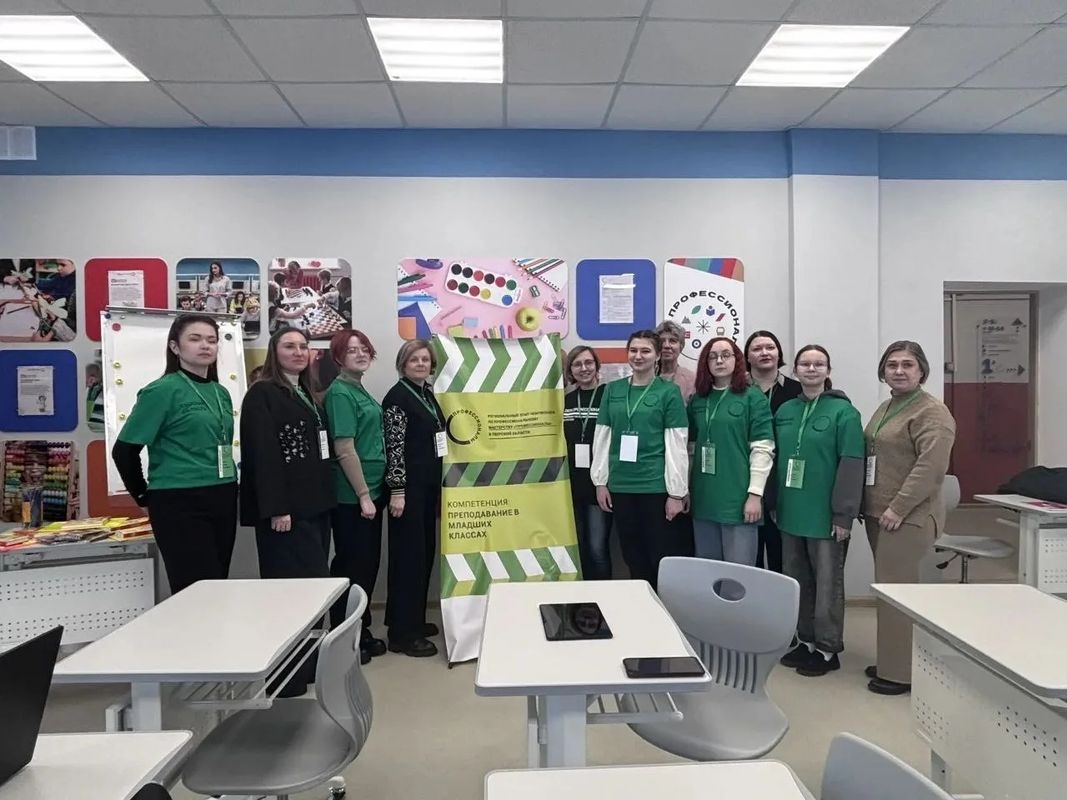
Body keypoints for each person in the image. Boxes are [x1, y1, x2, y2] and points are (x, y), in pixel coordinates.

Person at [111, 314, 237, 594]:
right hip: (179, 498)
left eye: (212, 340)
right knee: (195, 590)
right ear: (175, 347)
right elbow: (124, 451)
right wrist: (143, 496)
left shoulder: (221, 392)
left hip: (223, 493)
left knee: (218, 584)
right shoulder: (162, 390)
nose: (205, 345)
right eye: (195, 339)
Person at [864, 340, 956, 696]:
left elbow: (930, 468)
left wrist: (898, 508)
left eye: (907, 365)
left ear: (922, 371)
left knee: (899, 594)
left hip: (907, 517)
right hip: (880, 513)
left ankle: (901, 673)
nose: (899, 371)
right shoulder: (889, 405)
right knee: (889, 592)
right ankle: (893, 659)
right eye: (892, 365)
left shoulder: (932, 412)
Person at [774, 345, 864, 678]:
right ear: (795, 370)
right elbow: (775, 459)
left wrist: (844, 514)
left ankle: (828, 648)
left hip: (825, 515)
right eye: (805, 364)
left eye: (818, 364)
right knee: (798, 580)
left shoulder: (844, 413)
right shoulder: (786, 410)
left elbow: (851, 464)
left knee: (827, 584)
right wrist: (773, 503)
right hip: (790, 512)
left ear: (828, 371)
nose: (811, 369)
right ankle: (806, 640)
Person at [591, 330, 691, 592]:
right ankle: (642, 603)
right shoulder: (612, 390)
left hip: (655, 487)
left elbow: (676, 444)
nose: (638, 356)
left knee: (660, 553)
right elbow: (602, 438)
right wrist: (600, 482)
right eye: (633, 350)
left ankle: (663, 606)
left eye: (645, 351)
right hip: (621, 486)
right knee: (631, 553)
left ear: (657, 355)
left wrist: (676, 493)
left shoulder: (669, 392)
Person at [325, 329, 388, 664]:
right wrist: (363, 494)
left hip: (373, 491)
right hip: (353, 497)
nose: (361, 354)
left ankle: (361, 629)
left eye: (364, 348)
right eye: (352, 350)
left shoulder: (358, 387)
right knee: (352, 566)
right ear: (338, 357)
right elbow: (345, 448)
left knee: (366, 565)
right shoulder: (340, 393)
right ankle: (345, 635)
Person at [382, 340, 446, 657]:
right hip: (407, 492)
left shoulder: (426, 394)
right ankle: (402, 634)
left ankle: (413, 620)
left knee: (423, 556)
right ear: (402, 364)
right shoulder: (397, 397)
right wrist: (397, 490)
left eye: (425, 359)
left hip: (427, 488)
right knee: (408, 560)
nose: (421, 364)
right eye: (414, 359)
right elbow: (393, 447)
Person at [688, 337, 774, 565]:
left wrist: (755, 495)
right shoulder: (698, 400)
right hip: (704, 499)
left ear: (737, 360)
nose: (719, 361)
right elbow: (690, 449)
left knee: (738, 574)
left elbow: (763, 450)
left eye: (726, 355)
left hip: (739, 500)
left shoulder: (752, 397)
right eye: (713, 356)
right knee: (708, 572)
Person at [745, 330, 802, 573]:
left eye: (770, 347)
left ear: (779, 353)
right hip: (746, 479)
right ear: (747, 356)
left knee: (783, 555)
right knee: (750, 556)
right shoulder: (736, 390)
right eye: (757, 348)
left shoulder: (798, 391)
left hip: (784, 480)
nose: (764, 353)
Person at [564, 345, 612, 580]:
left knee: (597, 548)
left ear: (596, 366)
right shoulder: (565, 401)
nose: (583, 368)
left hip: (599, 486)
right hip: (571, 486)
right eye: (577, 364)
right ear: (570, 370)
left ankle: (603, 596)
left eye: (588, 363)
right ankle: (583, 597)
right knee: (578, 548)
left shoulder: (608, 396)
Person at [655, 321, 696, 403]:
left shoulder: (692, 380)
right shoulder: (645, 377)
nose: (666, 345)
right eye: (662, 341)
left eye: (672, 341)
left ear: (681, 347)